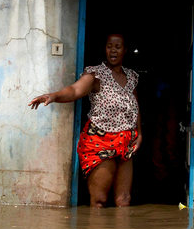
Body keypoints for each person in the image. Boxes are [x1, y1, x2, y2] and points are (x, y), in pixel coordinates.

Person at [28, 33, 142, 208]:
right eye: (109, 46)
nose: (113, 50)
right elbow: (74, 90)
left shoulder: (131, 77)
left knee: (124, 201)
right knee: (99, 201)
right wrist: (54, 96)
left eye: (118, 47)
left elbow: (134, 107)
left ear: (125, 50)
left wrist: (139, 133)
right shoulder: (96, 74)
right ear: (105, 49)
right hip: (100, 141)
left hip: (125, 141)